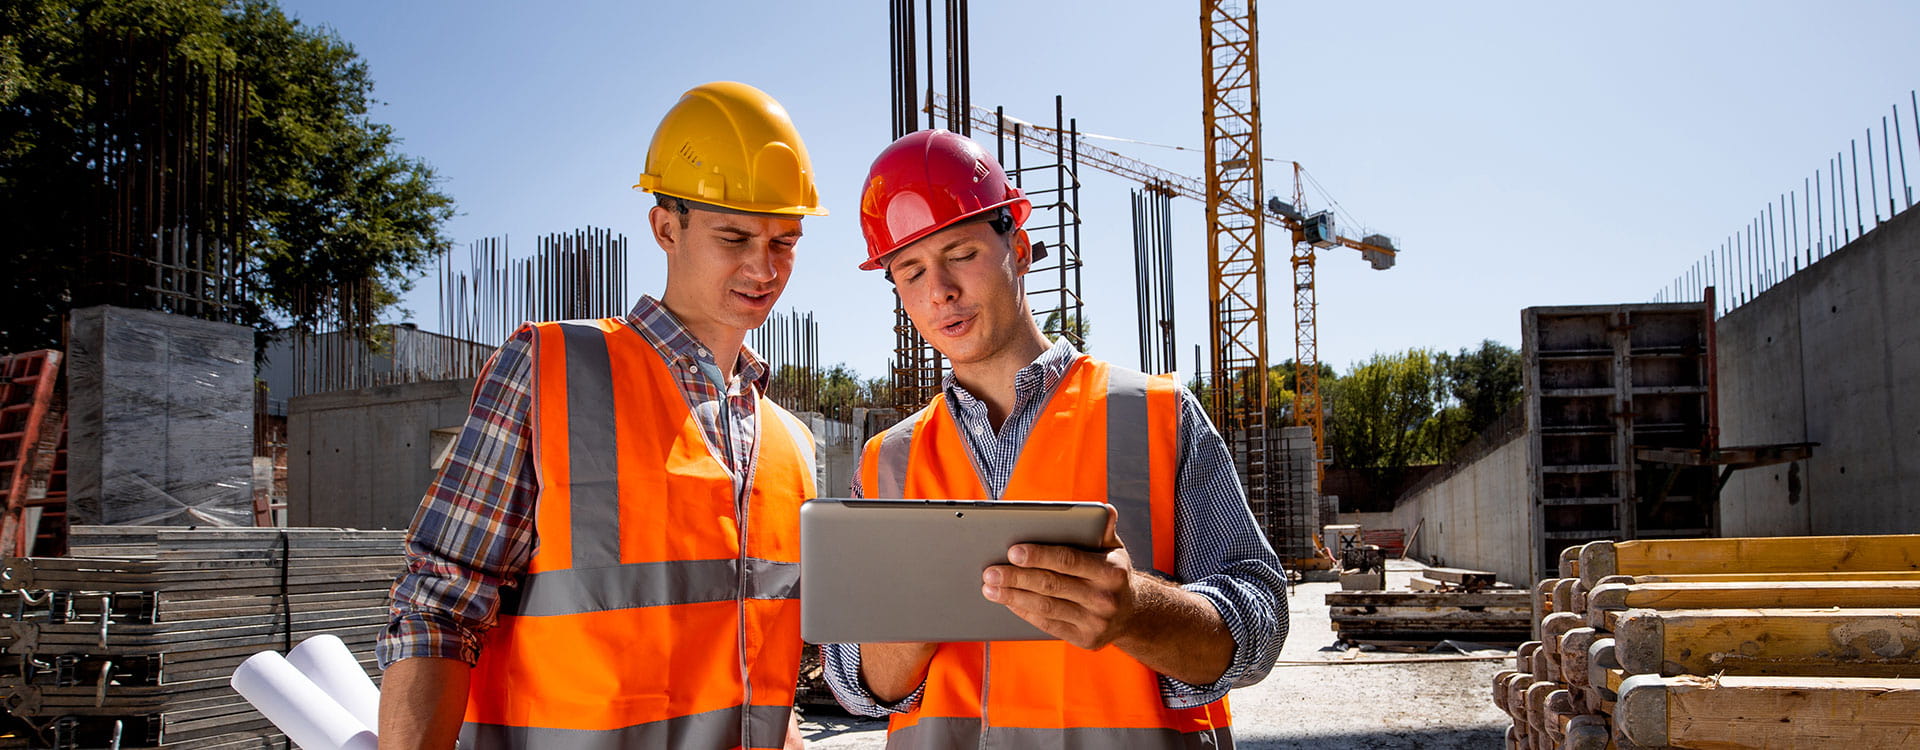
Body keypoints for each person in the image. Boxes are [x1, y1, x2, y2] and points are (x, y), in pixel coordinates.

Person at [376, 81, 827, 750]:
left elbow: (764, 671)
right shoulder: (551, 369)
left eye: (784, 242)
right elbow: (437, 608)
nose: (764, 268)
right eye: (734, 236)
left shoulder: (791, 444)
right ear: (665, 227)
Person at [821, 129, 1288, 748]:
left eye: (960, 253)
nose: (940, 292)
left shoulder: (1155, 415)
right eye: (910, 271)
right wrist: (912, 615)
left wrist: (1135, 611)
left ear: (1019, 246)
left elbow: (1257, 629)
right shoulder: (889, 461)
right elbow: (855, 685)